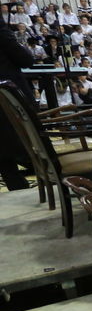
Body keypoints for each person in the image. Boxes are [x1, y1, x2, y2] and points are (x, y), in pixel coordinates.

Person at [0, 17, 35, 190]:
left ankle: (16, 184)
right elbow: (26, 60)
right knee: (28, 139)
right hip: (11, 99)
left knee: (3, 148)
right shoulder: (2, 32)